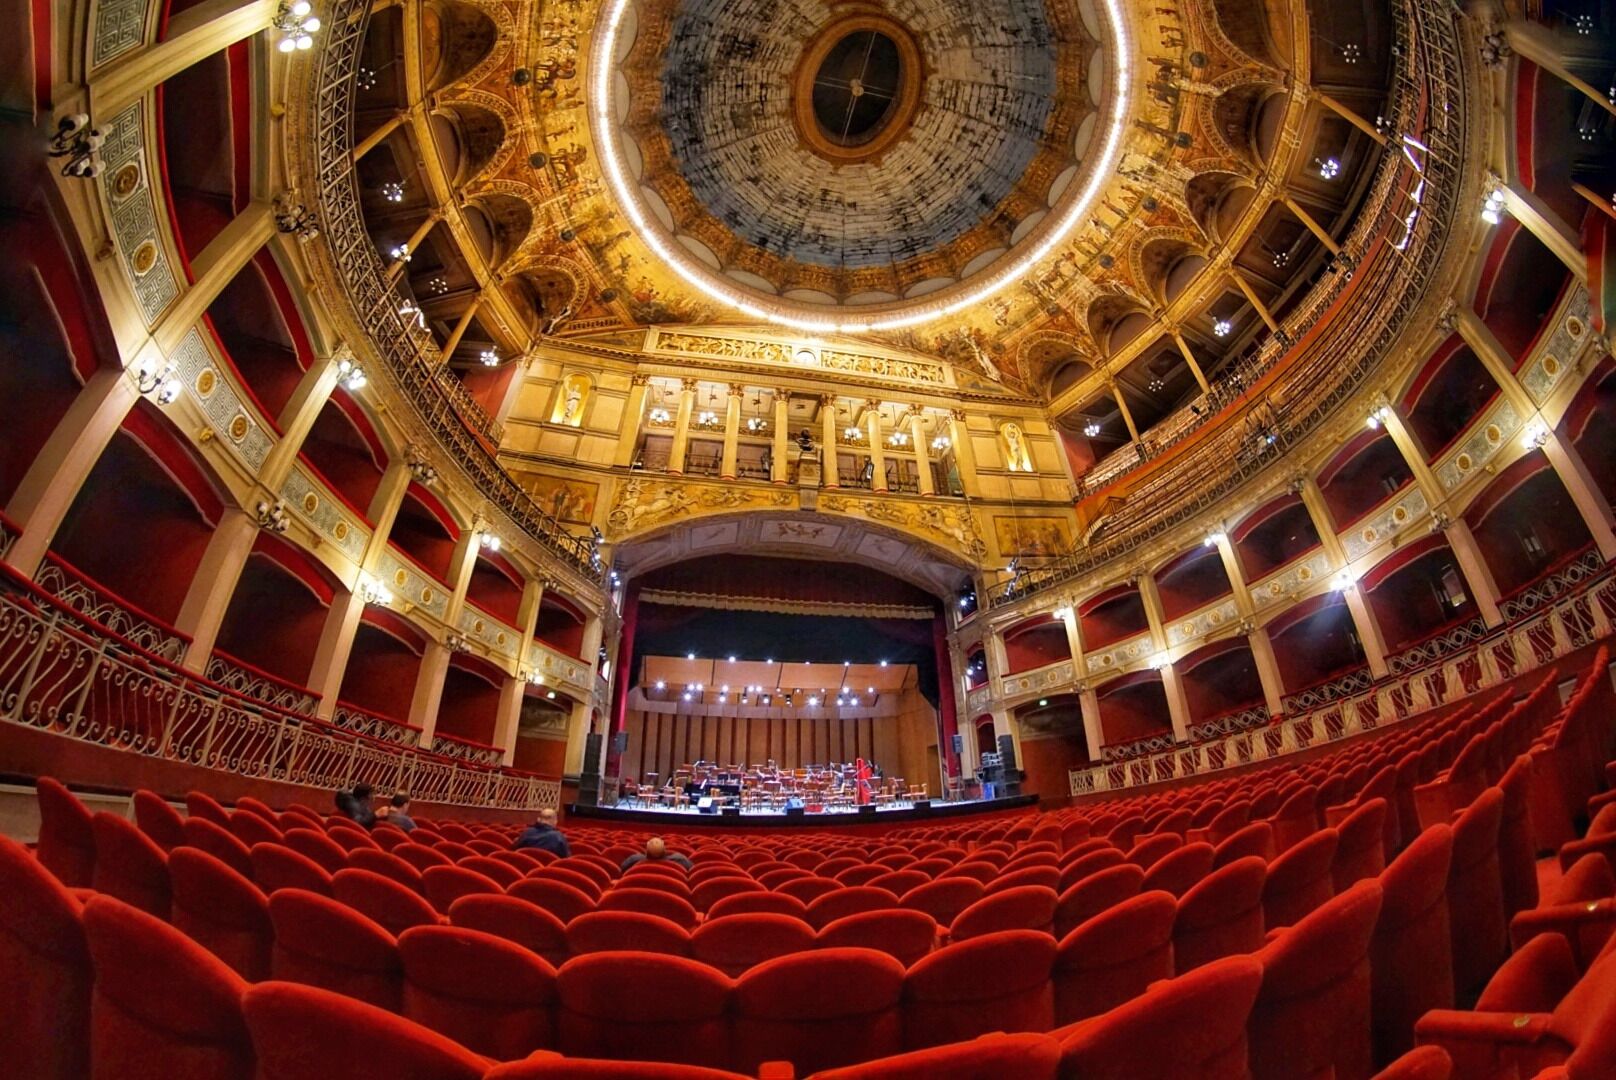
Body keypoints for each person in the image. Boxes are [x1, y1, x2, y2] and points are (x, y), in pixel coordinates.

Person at [620, 836, 692, 873]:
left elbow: (622, 870)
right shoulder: (681, 860)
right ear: (665, 850)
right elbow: (692, 870)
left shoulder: (634, 860)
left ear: (646, 851)